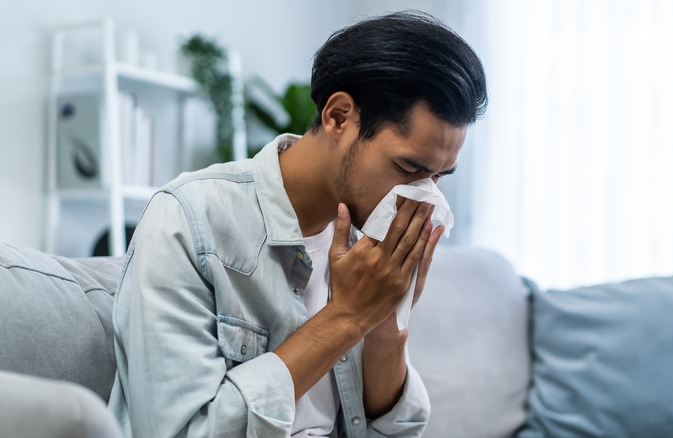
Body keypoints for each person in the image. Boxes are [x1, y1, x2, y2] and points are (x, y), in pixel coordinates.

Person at [108, 10, 487, 437]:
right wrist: (347, 316)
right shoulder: (192, 221)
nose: (423, 198)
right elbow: (180, 431)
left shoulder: (371, 245)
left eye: (438, 178)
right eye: (408, 168)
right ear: (339, 116)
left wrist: (386, 323)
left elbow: (398, 431)